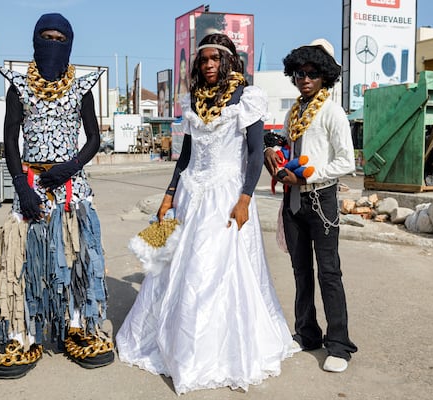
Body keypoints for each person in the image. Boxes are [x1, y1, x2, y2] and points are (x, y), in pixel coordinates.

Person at [117, 33, 294, 394]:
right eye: (204, 60)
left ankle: (207, 353)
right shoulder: (192, 100)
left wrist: (245, 198)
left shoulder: (247, 97)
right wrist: (168, 196)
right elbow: (185, 156)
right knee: (169, 268)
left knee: (210, 269)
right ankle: (177, 346)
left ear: (228, 60)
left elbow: (256, 152)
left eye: (215, 59)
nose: (209, 65)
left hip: (227, 195)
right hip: (190, 193)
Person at [0, 13, 114, 379]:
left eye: (59, 39)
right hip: (30, 185)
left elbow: (93, 139)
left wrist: (69, 166)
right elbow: (11, 139)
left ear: (69, 43)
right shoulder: (18, 86)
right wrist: (20, 186)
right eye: (46, 37)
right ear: (34, 41)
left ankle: (77, 327)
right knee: (20, 260)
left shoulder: (82, 87)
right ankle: (20, 335)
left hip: (73, 187)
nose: (52, 44)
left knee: (77, 257)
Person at [264, 38, 358, 373]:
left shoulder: (332, 111)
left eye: (312, 73)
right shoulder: (293, 112)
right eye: (299, 72)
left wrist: (308, 176)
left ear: (325, 76)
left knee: (329, 272)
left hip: (321, 199)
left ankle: (339, 345)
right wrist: (274, 154)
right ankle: (307, 333)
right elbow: (290, 151)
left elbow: (347, 161)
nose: (304, 78)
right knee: (301, 272)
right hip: (293, 201)